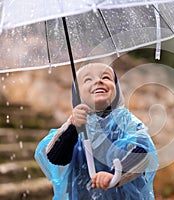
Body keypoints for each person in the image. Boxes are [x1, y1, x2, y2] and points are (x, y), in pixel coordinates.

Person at [35, 63, 158, 200]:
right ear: (77, 95)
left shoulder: (126, 122)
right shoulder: (75, 124)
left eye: (106, 77)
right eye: (88, 79)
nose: (98, 81)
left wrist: (115, 174)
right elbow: (55, 156)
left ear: (116, 89)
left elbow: (141, 152)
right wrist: (72, 127)